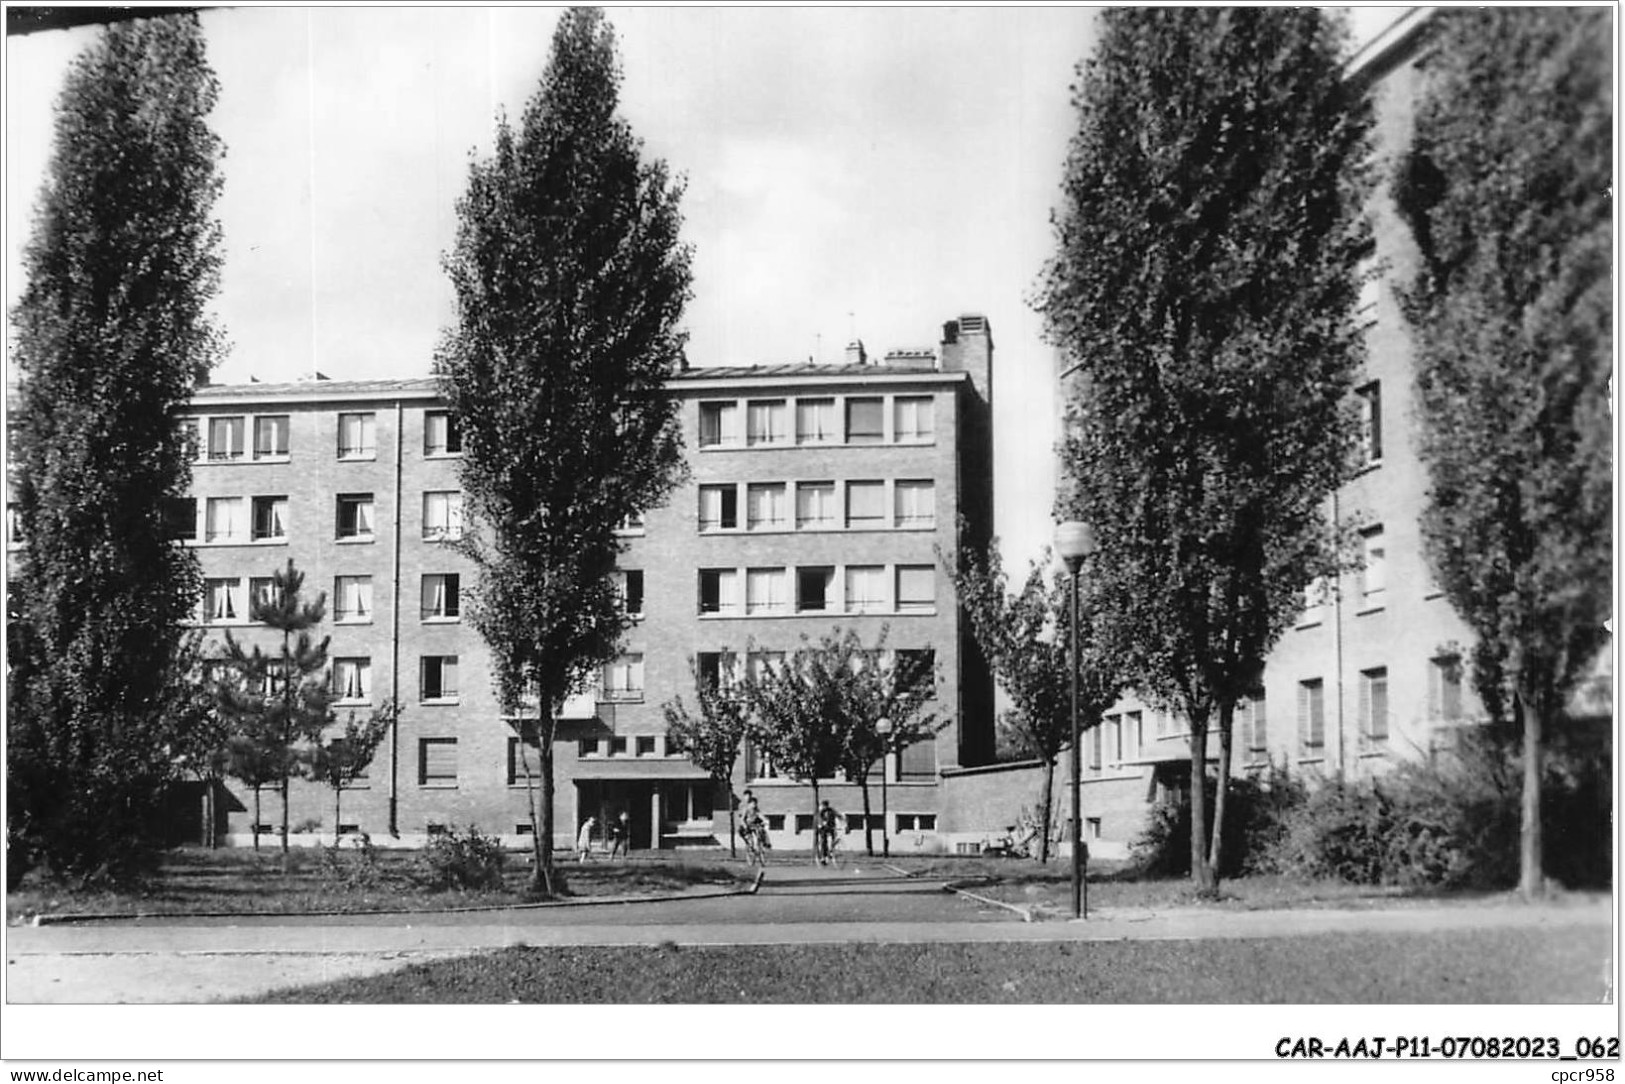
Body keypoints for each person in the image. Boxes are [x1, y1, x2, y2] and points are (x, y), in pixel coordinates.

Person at [815, 799, 838, 865]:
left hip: (831, 827)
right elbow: (819, 818)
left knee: (834, 839)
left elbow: (837, 815)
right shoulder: (821, 811)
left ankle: (831, 852)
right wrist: (821, 824)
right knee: (823, 841)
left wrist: (842, 819)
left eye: (826, 805)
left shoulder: (831, 810)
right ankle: (823, 857)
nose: (825, 807)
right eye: (824, 805)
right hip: (823, 828)